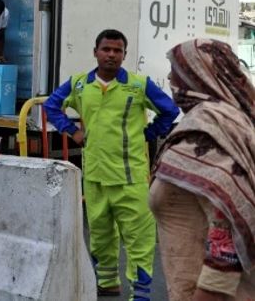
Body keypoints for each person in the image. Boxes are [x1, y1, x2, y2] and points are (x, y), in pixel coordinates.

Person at [44, 29, 179, 298]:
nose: (111, 55)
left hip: (129, 178)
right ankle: (107, 284)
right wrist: (72, 131)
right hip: (95, 177)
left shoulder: (139, 85)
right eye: (106, 49)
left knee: (138, 239)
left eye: (117, 51)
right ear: (95, 52)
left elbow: (170, 111)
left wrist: (148, 133)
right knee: (100, 235)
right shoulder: (79, 84)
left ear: (124, 55)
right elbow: (51, 105)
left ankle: (140, 294)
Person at [149, 39, 255, 300]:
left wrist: (208, 294)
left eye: (175, 70)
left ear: (195, 73)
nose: (170, 78)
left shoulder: (208, 129)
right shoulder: (234, 118)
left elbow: (228, 221)